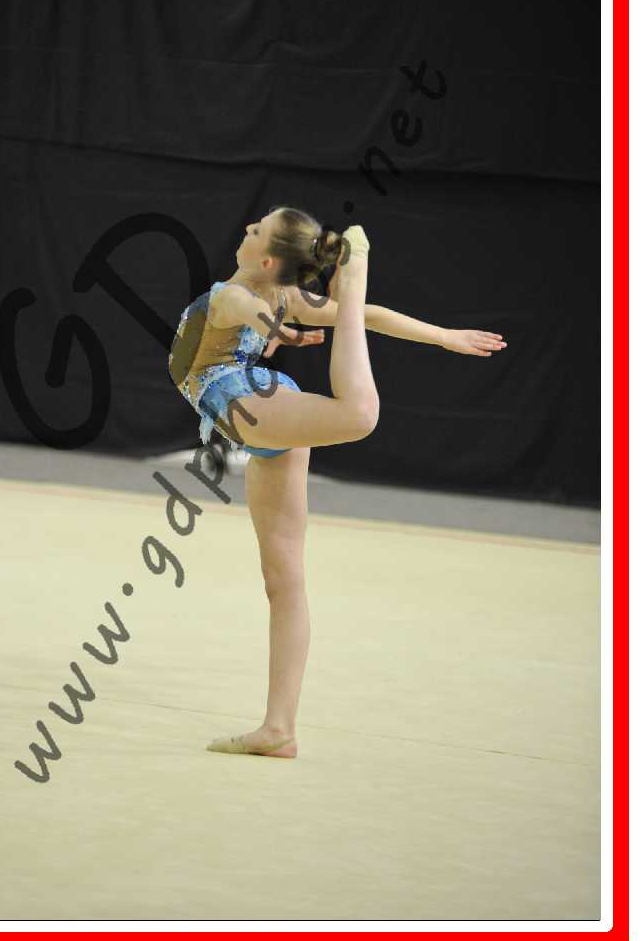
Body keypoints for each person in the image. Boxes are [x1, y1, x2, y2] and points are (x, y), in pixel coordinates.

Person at [167, 205, 507, 759]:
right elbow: (260, 314)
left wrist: (442, 335)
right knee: (283, 579)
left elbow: (360, 314)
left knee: (357, 415)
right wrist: (283, 331)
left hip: (248, 406)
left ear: (268, 260)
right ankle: (279, 729)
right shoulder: (256, 298)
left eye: (257, 230)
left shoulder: (244, 296)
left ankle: (356, 273)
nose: (246, 229)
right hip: (264, 414)